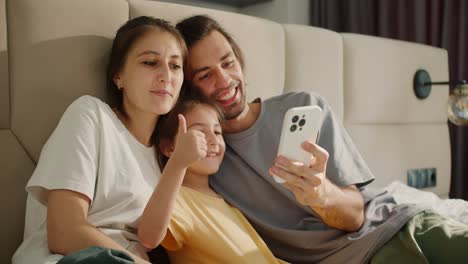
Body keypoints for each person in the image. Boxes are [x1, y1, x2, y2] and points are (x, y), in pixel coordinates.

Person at [175, 15, 468, 263]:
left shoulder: (303, 106)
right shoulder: (202, 159)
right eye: (205, 75)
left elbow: (356, 215)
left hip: (393, 227)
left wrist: (320, 195)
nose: (225, 80)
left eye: (228, 63)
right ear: (187, 89)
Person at [12, 16, 187, 264]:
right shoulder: (91, 115)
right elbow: (65, 233)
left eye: (175, 66)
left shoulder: (167, 156)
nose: (166, 75)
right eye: (150, 62)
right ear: (118, 76)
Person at [137, 93, 287, 263]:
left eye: (217, 131)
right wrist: (177, 163)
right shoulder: (177, 199)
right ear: (168, 147)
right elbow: (148, 237)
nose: (213, 140)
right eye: (200, 132)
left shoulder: (223, 199)